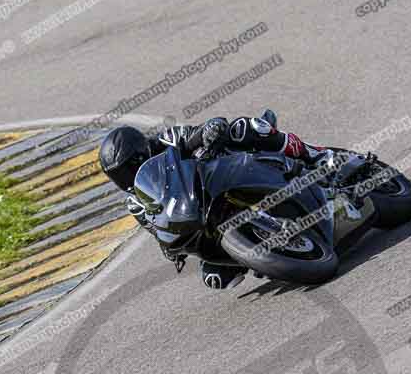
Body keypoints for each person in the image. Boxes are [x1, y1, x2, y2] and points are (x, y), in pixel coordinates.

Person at [99, 110, 327, 289]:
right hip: (201, 215)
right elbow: (157, 227)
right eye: (117, 175)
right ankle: (268, 249)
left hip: (224, 171)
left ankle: (315, 154)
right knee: (216, 276)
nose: (125, 178)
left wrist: (210, 129)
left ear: (141, 151)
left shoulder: (167, 140)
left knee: (245, 128)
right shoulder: (136, 202)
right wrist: (170, 248)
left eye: (126, 169)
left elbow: (197, 132)